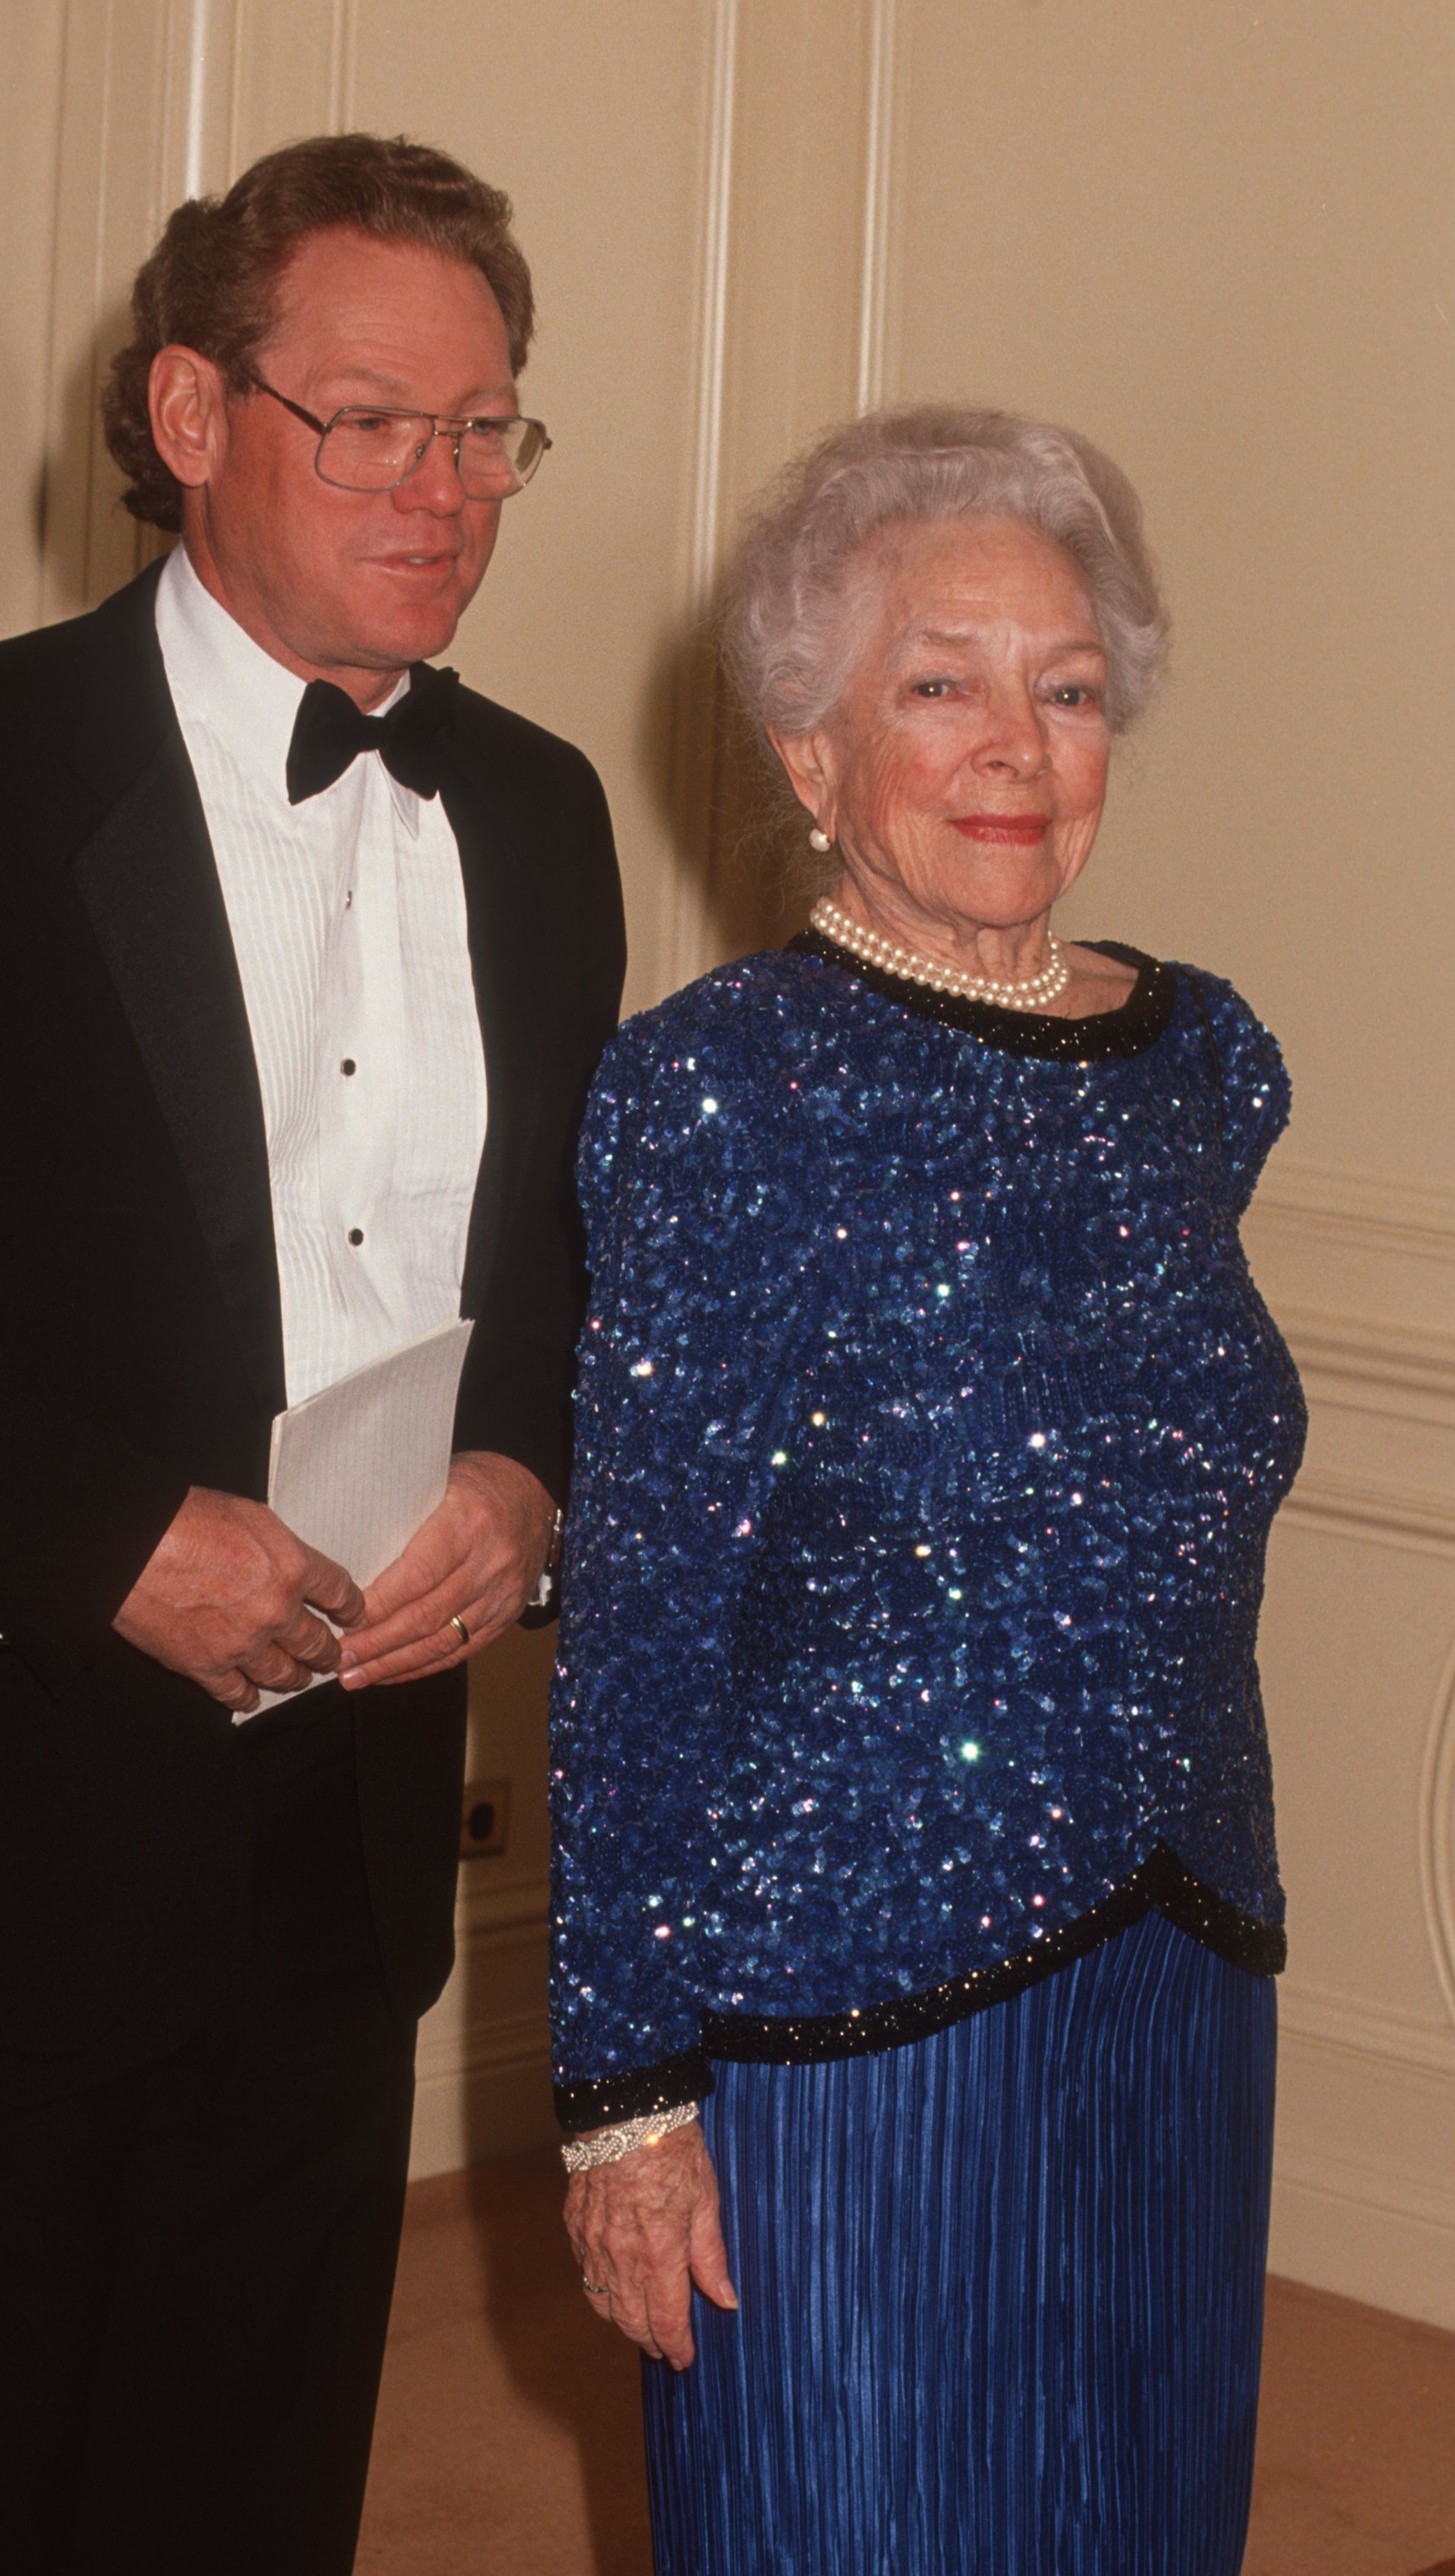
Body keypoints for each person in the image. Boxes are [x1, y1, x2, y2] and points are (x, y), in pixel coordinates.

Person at [0, 132, 624, 2574]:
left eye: (485, 429)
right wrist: (106, 1541)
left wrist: (522, 1489)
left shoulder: (545, 816)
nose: (442, 491)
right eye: (368, 419)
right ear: (186, 410)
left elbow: (563, 1275)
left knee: (252, 2492)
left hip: (345, 1834)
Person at [551, 406, 1302, 2574]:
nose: (1014, 745)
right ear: (809, 748)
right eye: (937, 683)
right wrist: (627, 2100)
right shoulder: (721, 1092)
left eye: (1065, 689)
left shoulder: (1205, 1064)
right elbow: (648, 1630)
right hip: (845, 2031)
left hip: (1179, 1984)